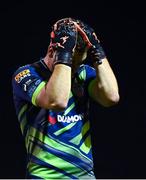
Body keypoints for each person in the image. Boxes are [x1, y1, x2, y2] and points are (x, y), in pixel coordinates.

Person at [12, 17, 120, 179]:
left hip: (84, 175)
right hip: (44, 175)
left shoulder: (83, 73)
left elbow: (111, 97)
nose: (74, 68)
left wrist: (97, 50)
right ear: (51, 51)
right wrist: (64, 56)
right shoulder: (26, 74)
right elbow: (57, 100)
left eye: (77, 63)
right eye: (72, 63)